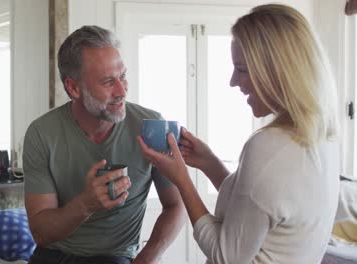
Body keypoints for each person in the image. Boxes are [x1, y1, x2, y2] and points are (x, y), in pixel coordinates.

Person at [138, 4, 339, 264]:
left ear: (278, 69)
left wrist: (182, 180)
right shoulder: (321, 137)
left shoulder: (268, 146)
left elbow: (226, 256)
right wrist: (210, 163)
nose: (233, 81)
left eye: (242, 69)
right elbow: (258, 209)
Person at [23, 25, 185, 264]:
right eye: (108, 81)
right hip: (53, 256)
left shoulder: (150, 127)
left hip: (115, 257)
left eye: (123, 76)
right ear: (74, 88)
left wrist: (147, 258)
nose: (121, 91)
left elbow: (176, 205)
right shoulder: (41, 133)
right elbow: (41, 233)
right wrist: (86, 204)